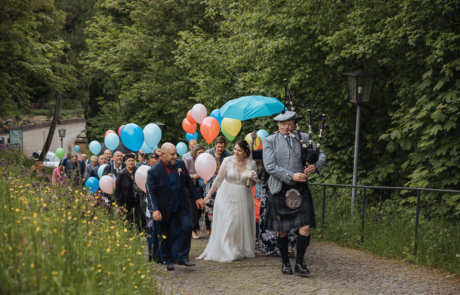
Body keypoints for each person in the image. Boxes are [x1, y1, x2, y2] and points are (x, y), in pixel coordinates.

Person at [263, 110, 326, 276]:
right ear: (278, 124)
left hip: (301, 188)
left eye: (290, 123)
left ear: (294, 123)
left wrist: (316, 166)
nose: (287, 127)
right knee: (282, 229)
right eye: (283, 124)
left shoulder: (303, 138)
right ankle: (285, 262)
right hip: (279, 188)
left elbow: (322, 154)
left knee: (305, 226)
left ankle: (299, 263)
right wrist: (291, 175)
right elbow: (270, 167)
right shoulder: (270, 141)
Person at [146, 142, 205, 271]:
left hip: (181, 205)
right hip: (164, 207)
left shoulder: (180, 164)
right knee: (166, 234)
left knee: (187, 226)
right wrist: (154, 210)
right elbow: (151, 193)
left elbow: (189, 183)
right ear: (163, 154)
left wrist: (198, 197)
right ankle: (168, 259)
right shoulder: (153, 172)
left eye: (176, 153)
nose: (175, 156)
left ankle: (183, 257)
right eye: (172, 154)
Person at [197, 139, 257, 262]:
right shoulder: (227, 161)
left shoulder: (251, 164)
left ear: (245, 152)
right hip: (227, 194)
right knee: (230, 220)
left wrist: (251, 180)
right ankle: (227, 249)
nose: (236, 152)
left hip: (244, 194)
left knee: (240, 222)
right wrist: (208, 195)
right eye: (235, 149)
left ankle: (238, 247)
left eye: (239, 150)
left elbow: (253, 183)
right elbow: (218, 180)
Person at [115, 153, 143, 229]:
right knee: (127, 219)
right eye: (129, 160)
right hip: (126, 200)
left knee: (138, 218)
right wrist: (118, 202)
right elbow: (117, 188)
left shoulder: (138, 170)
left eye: (132, 160)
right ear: (125, 162)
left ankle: (138, 234)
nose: (131, 162)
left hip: (137, 200)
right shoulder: (121, 173)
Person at [184, 144, 205, 239]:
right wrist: (193, 176)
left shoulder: (204, 162)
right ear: (195, 153)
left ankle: (191, 228)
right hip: (189, 188)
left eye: (202, 153)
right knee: (193, 210)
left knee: (200, 209)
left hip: (200, 187)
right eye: (199, 153)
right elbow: (183, 174)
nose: (201, 154)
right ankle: (193, 230)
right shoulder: (188, 161)